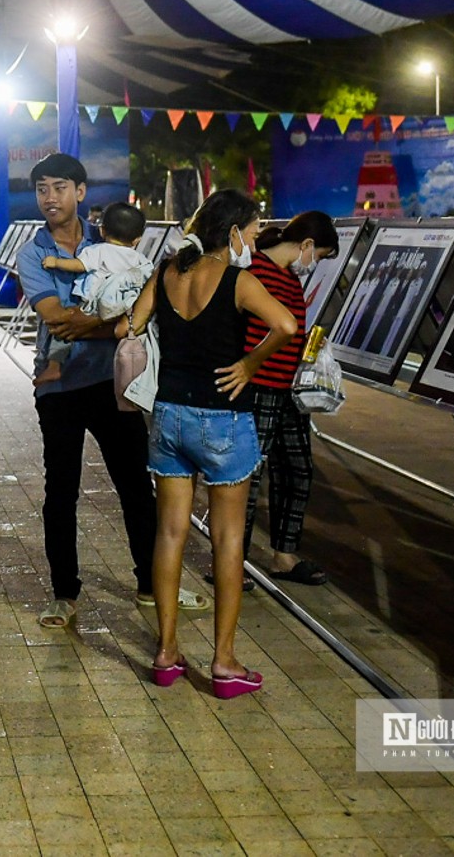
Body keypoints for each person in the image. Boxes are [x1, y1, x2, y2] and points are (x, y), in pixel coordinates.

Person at [127, 189, 296, 698]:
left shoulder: (167, 272)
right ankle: (223, 662)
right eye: (254, 230)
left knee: (171, 534)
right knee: (227, 540)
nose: (256, 239)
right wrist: (248, 364)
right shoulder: (240, 280)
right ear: (234, 233)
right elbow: (286, 326)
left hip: (169, 415)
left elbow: (132, 324)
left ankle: (166, 652)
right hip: (224, 421)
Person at [17, 153, 189, 631]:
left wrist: (93, 325)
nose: (49, 197)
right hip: (60, 390)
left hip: (115, 382)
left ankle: (153, 584)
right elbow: (55, 318)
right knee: (61, 492)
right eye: (41, 189)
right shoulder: (32, 253)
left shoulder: (110, 238)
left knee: (136, 485)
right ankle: (64, 593)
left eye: (58, 187)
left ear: (80, 191)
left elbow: (147, 304)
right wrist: (114, 324)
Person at [240, 212, 338, 587]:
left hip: (287, 390)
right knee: (250, 476)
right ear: (307, 246)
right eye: (319, 255)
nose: (314, 264)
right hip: (259, 386)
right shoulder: (256, 270)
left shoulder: (288, 278)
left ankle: (283, 554)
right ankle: (233, 560)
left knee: (298, 468)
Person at [33, 202, 153, 388]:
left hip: (94, 304)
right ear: (137, 239)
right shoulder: (140, 260)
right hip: (120, 309)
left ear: (102, 231)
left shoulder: (97, 251)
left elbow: (79, 265)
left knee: (63, 332)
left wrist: (56, 262)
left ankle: (54, 365)